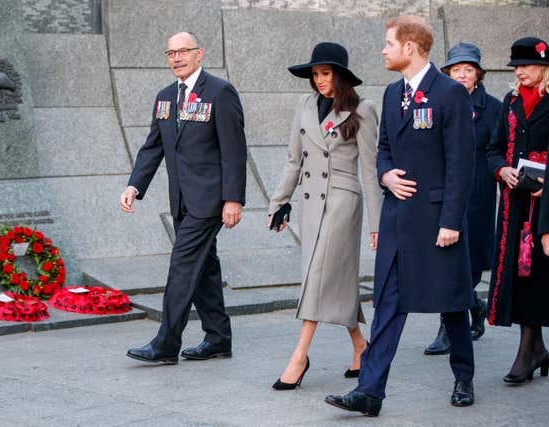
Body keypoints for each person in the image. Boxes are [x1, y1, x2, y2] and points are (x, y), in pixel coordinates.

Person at [325, 15, 476, 416]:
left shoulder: (450, 93)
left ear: (410, 47)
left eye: (388, 43)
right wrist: (385, 173)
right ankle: (370, 391)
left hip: (436, 219)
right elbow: (383, 149)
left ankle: (463, 375)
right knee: (388, 304)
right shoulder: (392, 95)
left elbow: (462, 162)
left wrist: (450, 221)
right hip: (398, 218)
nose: (383, 50)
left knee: (452, 300)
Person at [120, 32, 247, 364]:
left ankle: (166, 344)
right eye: (170, 53)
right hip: (181, 200)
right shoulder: (165, 97)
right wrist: (134, 186)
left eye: (183, 52)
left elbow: (234, 151)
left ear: (199, 54)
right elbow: (153, 147)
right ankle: (218, 338)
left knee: (182, 266)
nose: (176, 58)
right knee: (204, 268)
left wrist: (233, 199)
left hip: (209, 201)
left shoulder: (219, 92)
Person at [267, 42, 382, 390]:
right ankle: (361, 345)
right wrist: (279, 203)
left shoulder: (362, 110)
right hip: (310, 203)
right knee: (331, 277)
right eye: (315, 74)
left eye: (325, 73)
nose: (319, 80)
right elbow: (293, 159)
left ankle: (299, 356)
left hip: (343, 203)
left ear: (341, 76)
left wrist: (377, 224)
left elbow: (370, 170)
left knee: (317, 276)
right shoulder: (304, 105)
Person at [424, 42, 502, 355]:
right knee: (446, 259)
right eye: (456, 70)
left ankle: (448, 325)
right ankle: (474, 306)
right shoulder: (437, 101)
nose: (462, 75)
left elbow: (498, 148)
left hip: (478, 194)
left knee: (467, 261)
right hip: (445, 192)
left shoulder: (493, 107)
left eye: (468, 70)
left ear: (478, 74)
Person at [486, 36, 549, 384]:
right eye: (517, 66)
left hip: (544, 206)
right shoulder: (509, 102)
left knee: (537, 276)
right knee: (518, 273)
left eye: (526, 65)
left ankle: (526, 353)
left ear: (544, 67)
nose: (520, 71)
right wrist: (502, 169)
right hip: (513, 205)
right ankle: (536, 349)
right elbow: (493, 147)